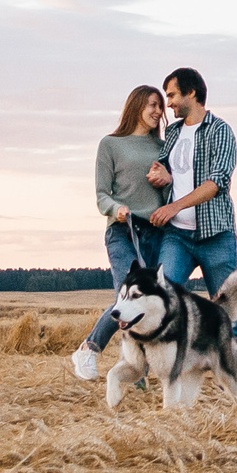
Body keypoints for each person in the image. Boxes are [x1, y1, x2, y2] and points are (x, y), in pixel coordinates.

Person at [145, 66, 237, 353]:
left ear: (192, 92)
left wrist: (174, 206)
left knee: (228, 315)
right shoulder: (173, 130)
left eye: (173, 95)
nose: (169, 103)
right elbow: (168, 166)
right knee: (162, 301)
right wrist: (161, 173)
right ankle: (173, 371)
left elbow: (217, 182)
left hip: (216, 236)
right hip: (177, 236)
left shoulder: (221, 131)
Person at [71, 84, 171, 382]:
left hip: (156, 232)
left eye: (161, 107)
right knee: (126, 298)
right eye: (152, 104)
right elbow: (102, 195)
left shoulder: (163, 148)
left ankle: (138, 374)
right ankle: (89, 348)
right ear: (137, 105)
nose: (157, 111)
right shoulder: (111, 145)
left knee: (147, 304)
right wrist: (118, 209)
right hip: (122, 230)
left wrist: (166, 180)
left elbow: (172, 194)